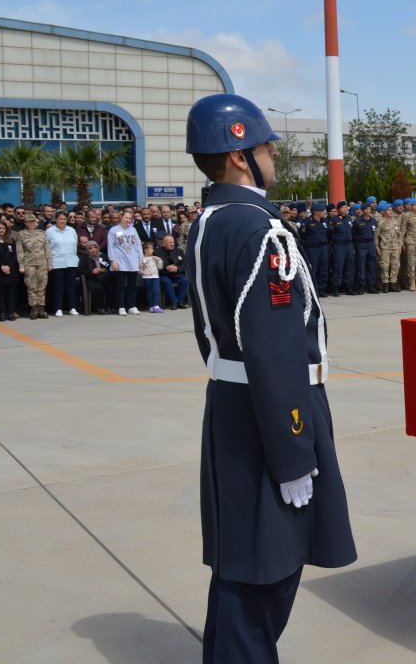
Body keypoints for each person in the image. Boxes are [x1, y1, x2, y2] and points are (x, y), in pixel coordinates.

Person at [183, 93, 355, 663]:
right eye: (264, 145)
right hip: (270, 416)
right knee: (268, 571)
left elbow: (214, 332)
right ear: (239, 155)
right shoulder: (262, 232)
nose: (274, 154)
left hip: (232, 405)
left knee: (243, 561)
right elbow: (275, 350)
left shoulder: (210, 222)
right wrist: (293, 450)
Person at [16, 211, 52, 319]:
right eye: (29, 222)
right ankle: (33, 309)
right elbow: (20, 251)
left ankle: (41, 308)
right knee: (31, 286)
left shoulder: (41, 233)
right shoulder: (21, 234)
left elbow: (47, 249)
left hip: (42, 262)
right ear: (26, 223)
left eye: (33, 222)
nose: (31, 224)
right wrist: (21, 265)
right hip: (29, 262)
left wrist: (49, 263)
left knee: (42, 286)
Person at [108, 211, 143, 316]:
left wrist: (140, 259)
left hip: (132, 261)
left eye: (130, 218)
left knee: (132, 286)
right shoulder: (113, 230)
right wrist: (113, 260)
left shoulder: (133, 230)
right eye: (126, 217)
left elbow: (138, 245)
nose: (128, 220)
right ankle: (121, 306)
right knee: (120, 286)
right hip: (120, 261)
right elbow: (110, 246)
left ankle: (131, 306)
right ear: (121, 217)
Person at [46, 211, 80, 317]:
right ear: (56, 219)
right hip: (57, 262)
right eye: (60, 219)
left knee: (71, 286)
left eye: (64, 219)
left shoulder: (72, 230)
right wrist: (49, 262)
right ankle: (58, 308)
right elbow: (46, 247)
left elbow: (76, 244)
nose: (62, 221)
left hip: (71, 262)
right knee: (58, 287)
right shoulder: (50, 231)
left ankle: (72, 307)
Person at [0, 220, 20, 321]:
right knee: (0, 293)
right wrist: (2, 266)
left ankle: (10, 312)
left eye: (4, 228)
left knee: (11, 292)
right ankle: (2, 312)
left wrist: (8, 266)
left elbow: (14, 256)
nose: (2, 230)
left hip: (10, 271)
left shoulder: (10, 240)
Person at [79, 241, 113, 315]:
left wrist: (104, 269)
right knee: (99, 288)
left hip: (102, 277)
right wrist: (92, 271)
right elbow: (81, 271)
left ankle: (108, 306)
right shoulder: (85, 258)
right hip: (91, 278)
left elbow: (108, 266)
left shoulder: (102, 256)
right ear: (88, 249)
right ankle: (100, 308)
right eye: (91, 248)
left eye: (95, 248)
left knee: (111, 283)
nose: (93, 250)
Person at [157, 234, 189, 309]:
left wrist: (177, 268)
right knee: (166, 282)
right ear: (164, 243)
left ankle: (180, 302)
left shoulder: (179, 251)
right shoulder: (158, 252)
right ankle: (174, 302)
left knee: (185, 280)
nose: (172, 244)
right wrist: (166, 268)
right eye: (169, 242)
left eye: (173, 242)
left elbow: (185, 264)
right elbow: (158, 265)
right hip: (165, 274)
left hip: (177, 274)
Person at [138, 241, 164, 313]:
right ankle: (151, 306)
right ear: (146, 250)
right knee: (149, 291)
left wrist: (158, 260)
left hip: (155, 276)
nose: (152, 250)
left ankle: (156, 305)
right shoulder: (142, 259)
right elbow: (140, 269)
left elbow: (160, 267)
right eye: (151, 249)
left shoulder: (153, 258)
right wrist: (142, 266)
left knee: (156, 290)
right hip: (146, 276)